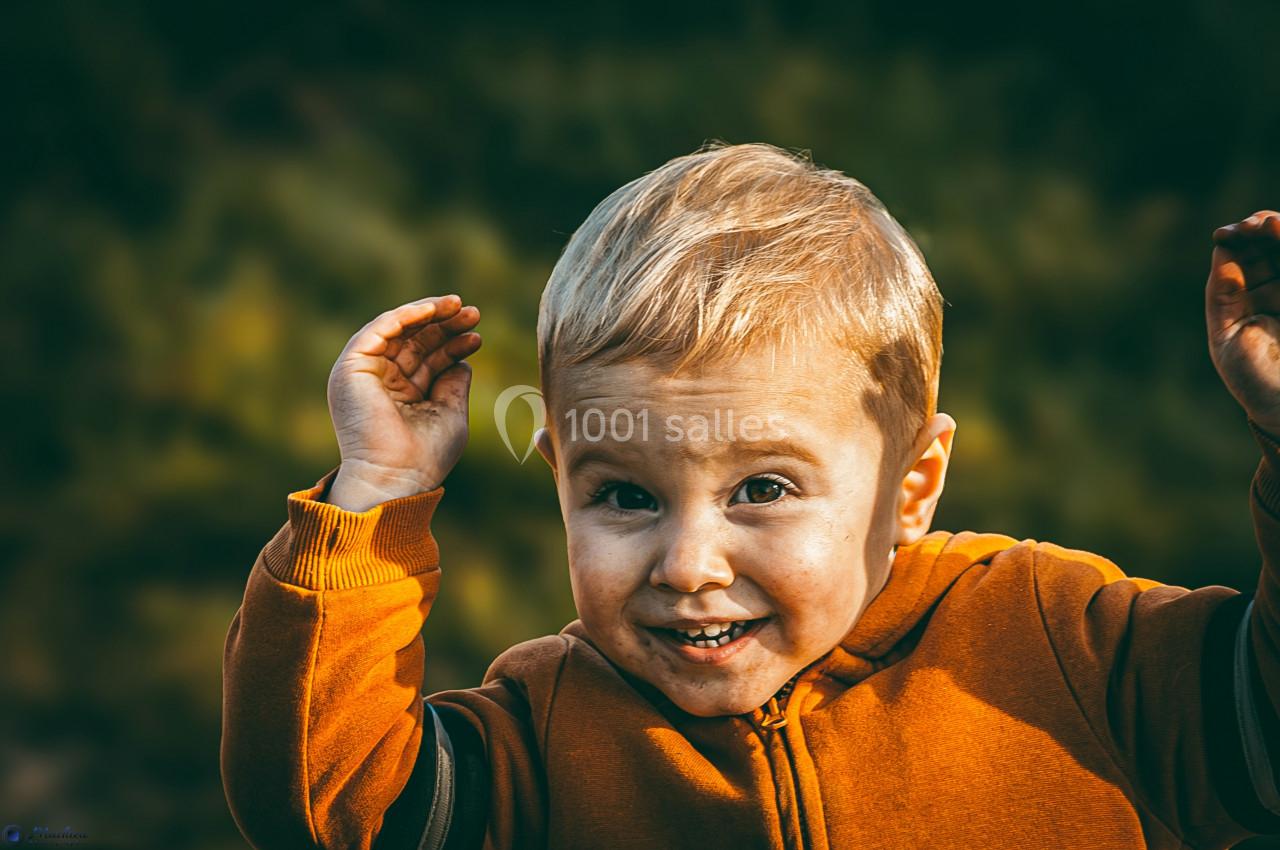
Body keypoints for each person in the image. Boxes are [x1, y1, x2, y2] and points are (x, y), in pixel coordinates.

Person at [220, 142, 1280, 849]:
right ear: (558, 480)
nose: (687, 565)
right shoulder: (543, 738)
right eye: (625, 497)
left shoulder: (1056, 642)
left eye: (761, 488)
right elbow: (324, 804)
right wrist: (376, 497)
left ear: (910, 486)